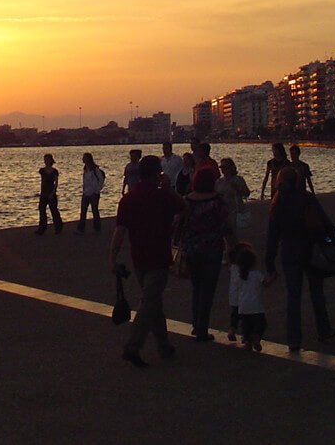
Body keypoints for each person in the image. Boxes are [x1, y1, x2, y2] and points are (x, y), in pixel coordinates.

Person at [110, 155, 187, 367]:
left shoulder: (128, 199)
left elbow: (119, 231)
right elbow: (184, 207)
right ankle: (133, 346)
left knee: (154, 302)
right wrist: (169, 188)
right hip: (159, 257)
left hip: (139, 258)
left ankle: (164, 345)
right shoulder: (163, 196)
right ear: (157, 173)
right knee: (149, 303)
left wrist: (112, 257)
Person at [264, 169, 335, 352]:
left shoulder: (277, 203)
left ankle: (294, 339)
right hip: (311, 249)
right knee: (317, 293)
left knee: (293, 297)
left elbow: (272, 236)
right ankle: (324, 330)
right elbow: (327, 224)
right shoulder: (307, 198)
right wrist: (332, 244)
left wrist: (270, 263)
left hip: (289, 253)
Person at [179, 168, 235, 341]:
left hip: (192, 249)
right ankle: (202, 328)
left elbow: (179, 223)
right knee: (208, 289)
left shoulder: (187, 200)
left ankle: (196, 324)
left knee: (197, 287)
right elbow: (226, 227)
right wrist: (232, 247)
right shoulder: (217, 201)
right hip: (212, 249)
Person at [230, 242, 267, 351]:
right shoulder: (256, 274)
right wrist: (273, 277)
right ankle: (256, 336)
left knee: (246, 326)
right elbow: (266, 283)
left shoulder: (240, 276)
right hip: (256, 306)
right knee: (261, 323)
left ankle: (247, 342)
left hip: (243, 306)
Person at [215, 158, 251, 234]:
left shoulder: (238, 179)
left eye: (225, 167)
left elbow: (246, 193)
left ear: (231, 167)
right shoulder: (219, 181)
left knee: (233, 232)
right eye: (222, 167)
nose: (223, 169)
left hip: (234, 210)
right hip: (223, 210)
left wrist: (237, 188)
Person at [35, 153, 63, 235]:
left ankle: (58, 227)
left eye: (47, 160)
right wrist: (41, 192)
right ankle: (42, 229)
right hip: (44, 193)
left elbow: (56, 183)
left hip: (51, 192)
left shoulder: (54, 171)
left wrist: (53, 192)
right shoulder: (42, 171)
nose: (46, 161)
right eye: (45, 160)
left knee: (54, 211)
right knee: (42, 210)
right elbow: (42, 182)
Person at [77, 152, 105, 233]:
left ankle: (97, 228)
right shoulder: (85, 170)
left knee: (94, 210)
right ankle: (81, 229)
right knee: (83, 211)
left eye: (84, 158)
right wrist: (84, 190)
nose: (83, 159)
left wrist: (97, 190)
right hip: (86, 193)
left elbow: (101, 180)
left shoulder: (95, 170)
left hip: (94, 193)